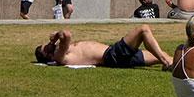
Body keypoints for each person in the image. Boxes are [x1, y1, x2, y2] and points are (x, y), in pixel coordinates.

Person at [34, 24, 174, 68]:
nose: (48, 45)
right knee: (143, 29)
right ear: (47, 56)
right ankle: (166, 62)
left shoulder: (61, 51)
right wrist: (55, 37)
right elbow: (67, 34)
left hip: (116, 56)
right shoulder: (59, 56)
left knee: (163, 56)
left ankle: (174, 63)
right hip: (112, 55)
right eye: (45, 48)